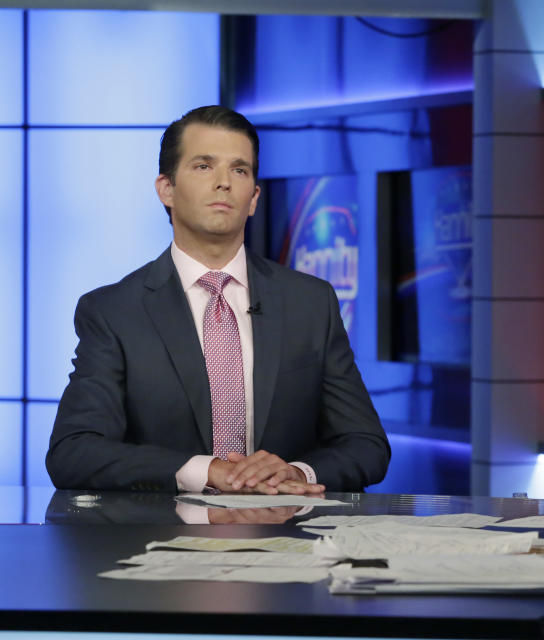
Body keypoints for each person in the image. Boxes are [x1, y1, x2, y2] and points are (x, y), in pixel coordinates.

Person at [47, 106, 390, 496]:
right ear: (166, 188)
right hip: (161, 545)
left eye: (240, 170)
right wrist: (203, 471)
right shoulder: (113, 312)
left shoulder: (311, 303)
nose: (224, 183)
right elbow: (73, 452)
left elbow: (367, 445)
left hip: (288, 541)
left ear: (255, 197)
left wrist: (298, 473)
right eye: (203, 166)